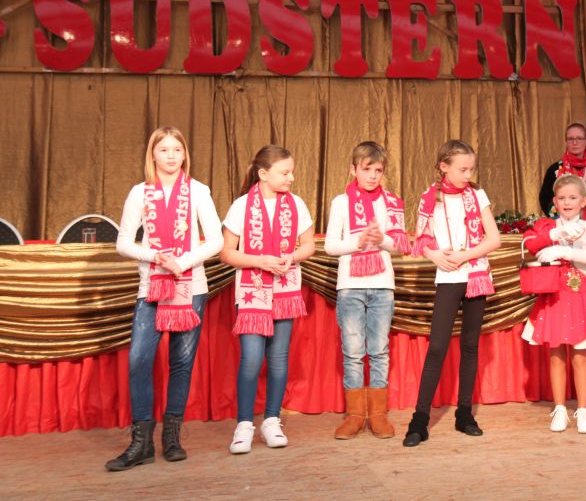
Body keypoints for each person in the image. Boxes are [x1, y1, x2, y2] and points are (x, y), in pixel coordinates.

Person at [106, 126, 223, 471]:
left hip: (191, 287)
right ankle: (141, 443)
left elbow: (215, 240)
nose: (171, 156)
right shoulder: (139, 192)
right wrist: (155, 256)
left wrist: (181, 262)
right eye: (164, 150)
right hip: (151, 288)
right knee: (139, 360)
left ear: (185, 154)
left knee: (181, 363)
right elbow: (123, 242)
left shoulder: (198, 191)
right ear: (152, 155)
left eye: (177, 150)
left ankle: (172, 438)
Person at [402, 140, 501, 447]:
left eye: (471, 169)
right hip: (448, 276)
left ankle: (464, 414)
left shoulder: (477, 195)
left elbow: (494, 238)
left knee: (470, 345)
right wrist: (435, 255)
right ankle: (419, 420)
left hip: (474, 274)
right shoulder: (430, 197)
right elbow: (422, 240)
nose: (468, 175)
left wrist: (465, 255)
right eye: (462, 169)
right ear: (444, 167)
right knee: (437, 347)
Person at [221, 145, 315, 453]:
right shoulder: (240, 207)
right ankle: (244, 424)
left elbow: (308, 246)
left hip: (285, 289)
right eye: (285, 173)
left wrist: (290, 257)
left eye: (291, 172)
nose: (291, 178)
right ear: (263, 174)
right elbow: (227, 253)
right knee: (251, 358)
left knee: (279, 358)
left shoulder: (296, 204)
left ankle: (272, 420)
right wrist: (260, 261)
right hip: (253, 291)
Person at [522, 175, 586, 434]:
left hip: (580, 296)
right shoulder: (547, 226)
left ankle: (583, 411)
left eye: (573, 198)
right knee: (556, 355)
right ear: (555, 201)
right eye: (562, 198)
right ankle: (559, 410)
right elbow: (530, 244)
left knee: (580, 355)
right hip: (554, 296)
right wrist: (553, 235)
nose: (567, 202)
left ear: (584, 200)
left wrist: (564, 251)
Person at [325, 141, 410, 440]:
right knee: (352, 352)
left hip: (382, 285)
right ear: (353, 169)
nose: (373, 175)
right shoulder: (340, 202)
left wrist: (381, 239)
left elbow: (401, 246)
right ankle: (355, 415)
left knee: (379, 350)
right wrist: (358, 243)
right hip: (350, 286)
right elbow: (330, 246)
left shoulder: (392, 202)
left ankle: (377, 415)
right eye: (366, 169)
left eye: (378, 170)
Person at [539, 123, 586, 222]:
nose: (575, 142)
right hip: (564, 225)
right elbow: (545, 199)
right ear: (566, 141)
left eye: (579, 138)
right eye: (570, 139)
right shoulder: (555, 170)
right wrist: (565, 216)